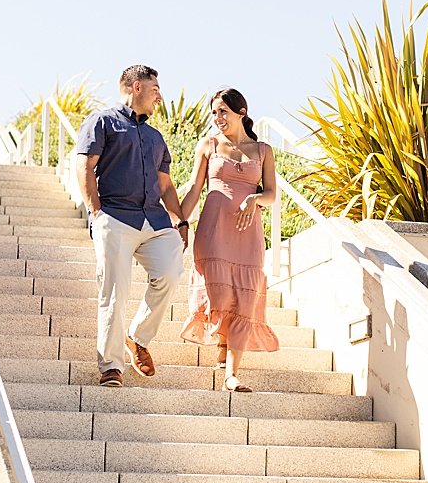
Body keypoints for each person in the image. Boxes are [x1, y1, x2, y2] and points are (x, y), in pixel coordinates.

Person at [75, 64, 189, 389]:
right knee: (115, 290)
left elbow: (166, 187)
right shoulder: (102, 122)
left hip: (153, 220)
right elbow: (84, 166)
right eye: (155, 90)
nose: (159, 97)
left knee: (169, 272)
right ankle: (111, 365)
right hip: (114, 216)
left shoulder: (156, 137)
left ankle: (136, 336)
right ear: (136, 87)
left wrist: (180, 220)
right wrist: (96, 214)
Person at [177, 88, 279, 392]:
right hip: (213, 229)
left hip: (248, 234)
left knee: (244, 298)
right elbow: (195, 189)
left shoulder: (263, 150)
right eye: (214, 113)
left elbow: (272, 194)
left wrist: (255, 199)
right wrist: (181, 221)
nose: (218, 118)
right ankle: (222, 346)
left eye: (223, 111)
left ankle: (231, 373)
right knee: (219, 296)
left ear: (241, 112)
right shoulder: (208, 145)